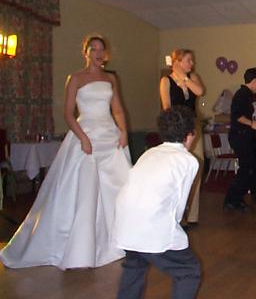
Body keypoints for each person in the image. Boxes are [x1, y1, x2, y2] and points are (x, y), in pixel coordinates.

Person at [0, 35, 132, 269]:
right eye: (93, 49)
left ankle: (119, 241)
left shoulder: (111, 78)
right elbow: (69, 113)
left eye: (101, 49)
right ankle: (81, 249)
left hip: (109, 135)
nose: (98, 53)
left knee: (117, 186)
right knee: (85, 190)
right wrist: (83, 138)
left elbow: (118, 110)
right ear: (85, 52)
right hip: (86, 133)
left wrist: (123, 132)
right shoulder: (76, 78)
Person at [114, 106, 201, 299]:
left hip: (125, 222)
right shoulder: (188, 160)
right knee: (188, 271)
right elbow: (178, 205)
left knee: (135, 266)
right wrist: (174, 232)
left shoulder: (150, 153)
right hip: (152, 224)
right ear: (189, 134)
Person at [160, 49, 205, 225]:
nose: (192, 63)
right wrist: (174, 129)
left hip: (193, 127)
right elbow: (166, 107)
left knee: (197, 166)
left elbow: (199, 91)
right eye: (188, 60)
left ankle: (192, 214)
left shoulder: (193, 77)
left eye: (192, 60)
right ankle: (177, 214)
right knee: (177, 169)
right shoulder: (166, 81)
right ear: (177, 62)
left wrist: (185, 78)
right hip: (176, 129)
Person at [223, 67, 256, 211]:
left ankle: (234, 199)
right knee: (247, 168)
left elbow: (242, 114)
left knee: (248, 167)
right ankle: (233, 199)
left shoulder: (244, 94)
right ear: (254, 81)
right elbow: (237, 116)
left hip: (241, 135)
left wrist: (255, 118)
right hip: (240, 136)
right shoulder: (243, 94)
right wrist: (252, 123)